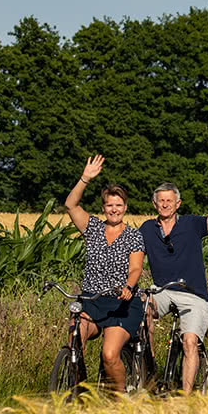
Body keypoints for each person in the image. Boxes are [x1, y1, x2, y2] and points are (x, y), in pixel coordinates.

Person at [138, 172, 208, 393]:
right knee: (141, 309)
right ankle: (150, 369)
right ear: (154, 204)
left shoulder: (191, 223)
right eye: (161, 201)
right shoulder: (147, 229)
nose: (165, 205)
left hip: (193, 294)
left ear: (178, 204)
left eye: (169, 201)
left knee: (190, 341)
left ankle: (185, 395)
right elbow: (131, 255)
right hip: (162, 291)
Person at [64, 154, 145, 392]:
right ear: (103, 208)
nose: (114, 209)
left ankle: (119, 401)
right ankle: (79, 391)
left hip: (121, 303)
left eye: (119, 205)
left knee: (109, 354)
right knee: (74, 340)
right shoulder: (93, 228)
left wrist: (129, 287)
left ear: (125, 207)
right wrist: (85, 179)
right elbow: (71, 205)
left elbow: (136, 268)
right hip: (92, 300)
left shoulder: (133, 236)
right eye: (110, 205)